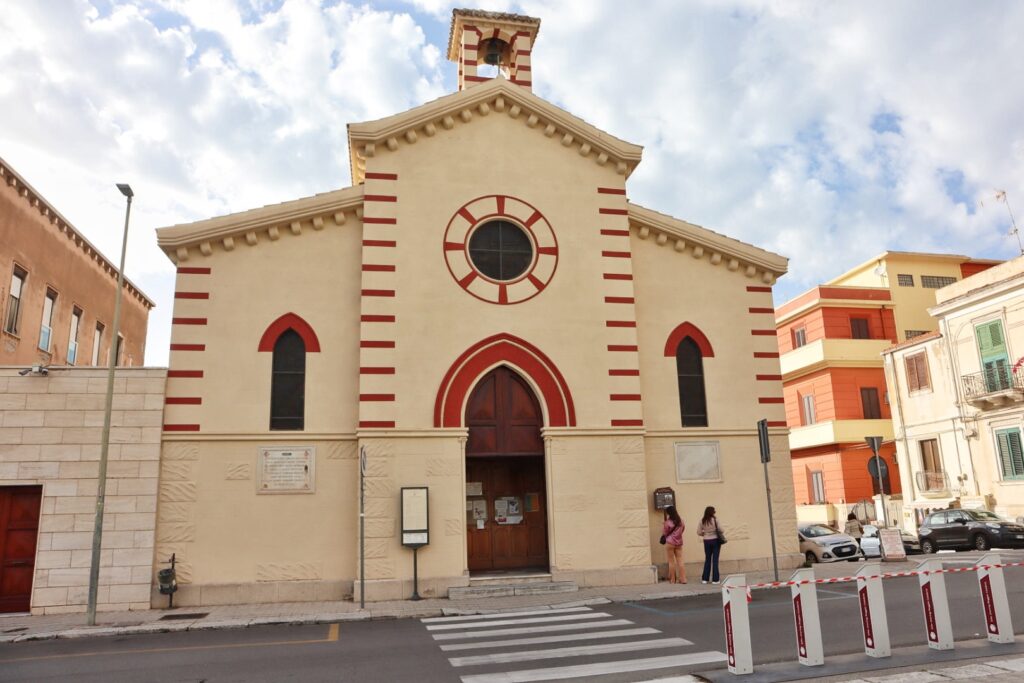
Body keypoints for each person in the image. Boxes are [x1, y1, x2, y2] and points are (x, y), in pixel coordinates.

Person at [697, 505, 723, 584]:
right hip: (715, 540)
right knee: (715, 560)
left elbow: (698, 532)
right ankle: (715, 580)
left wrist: (705, 534)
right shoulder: (715, 520)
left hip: (706, 541)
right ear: (712, 512)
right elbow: (721, 530)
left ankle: (705, 579)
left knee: (707, 559)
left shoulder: (702, 520)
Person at [662, 505, 686, 584]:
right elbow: (682, 530)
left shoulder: (668, 522)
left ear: (669, 513)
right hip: (679, 542)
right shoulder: (681, 521)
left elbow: (665, 533)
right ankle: (683, 579)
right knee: (680, 561)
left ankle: (672, 580)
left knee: (671, 561)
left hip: (670, 543)